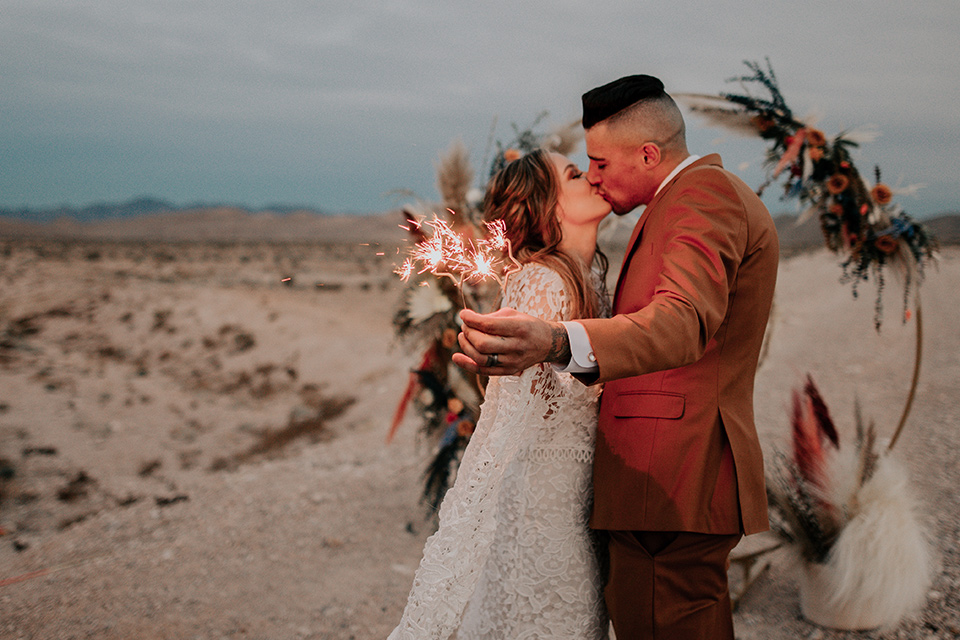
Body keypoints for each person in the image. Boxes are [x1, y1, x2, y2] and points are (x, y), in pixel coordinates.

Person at [453, 75, 779, 639]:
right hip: (650, 483)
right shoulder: (669, 210)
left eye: (598, 163)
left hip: (671, 477)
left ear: (648, 153)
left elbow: (682, 322)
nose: (596, 176)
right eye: (583, 169)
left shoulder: (702, 196)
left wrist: (557, 342)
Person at [388, 148, 613, 639]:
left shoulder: (593, 274)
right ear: (547, 207)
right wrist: (472, 520)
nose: (591, 177)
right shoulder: (539, 282)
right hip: (540, 509)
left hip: (583, 501)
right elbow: (505, 422)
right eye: (574, 174)